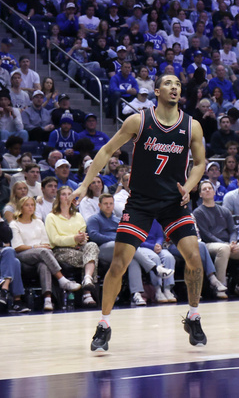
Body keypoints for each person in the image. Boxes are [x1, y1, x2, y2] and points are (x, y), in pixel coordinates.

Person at [72, 73, 209, 351]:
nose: (174, 87)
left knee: (194, 257)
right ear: (156, 91)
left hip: (174, 201)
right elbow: (107, 150)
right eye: (168, 83)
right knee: (120, 263)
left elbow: (200, 163)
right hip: (142, 201)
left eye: (178, 84)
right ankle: (104, 324)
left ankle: (193, 316)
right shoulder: (139, 120)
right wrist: (85, 184)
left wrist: (190, 186)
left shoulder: (192, 126)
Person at [87, 194, 175, 306]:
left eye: (111, 203)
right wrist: (118, 239)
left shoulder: (118, 219)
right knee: (126, 246)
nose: (108, 206)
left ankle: (136, 294)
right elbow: (94, 236)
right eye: (105, 204)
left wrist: (121, 240)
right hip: (104, 249)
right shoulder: (94, 219)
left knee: (131, 259)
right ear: (99, 205)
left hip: (120, 247)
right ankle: (154, 268)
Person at [11, 196, 82, 311]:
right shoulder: (15, 224)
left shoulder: (38, 222)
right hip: (23, 255)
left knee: (44, 265)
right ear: (21, 208)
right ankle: (62, 280)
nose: (31, 207)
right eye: (27, 205)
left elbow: (46, 243)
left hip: (41, 255)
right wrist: (36, 246)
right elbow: (17, 246)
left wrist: (40, 247)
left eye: (32, 205)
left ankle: (47, 300)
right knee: (43, 251)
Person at [193, 180, 239, 299]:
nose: (207, 190)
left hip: (229, 244)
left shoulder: (224, 210)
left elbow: (233, 230)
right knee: (223, 249)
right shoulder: (198, 212)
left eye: (209, 188)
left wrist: (232, 242)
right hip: (210, 244)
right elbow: (205, 234)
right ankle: (220, 285)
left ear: (214, 192)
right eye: (204, 189)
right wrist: (225, 244)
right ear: (200, 194)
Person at [45, 185, 100, 306]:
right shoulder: (51, 217)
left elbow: (84, 237)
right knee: (91, 259)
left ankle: (87, 279)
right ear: (59, 198)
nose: (67, 197)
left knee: (92, 245)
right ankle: (87, 293)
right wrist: (74, 239)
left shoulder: (78, 216)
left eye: (69, 194)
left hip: (79, 249)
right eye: (63, 194)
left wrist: (81, 240)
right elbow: (54, 240)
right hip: (60, 251)